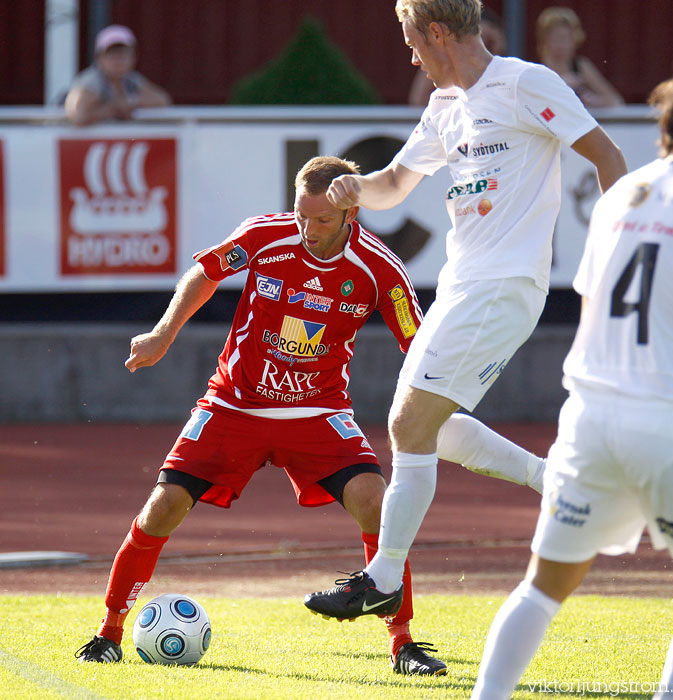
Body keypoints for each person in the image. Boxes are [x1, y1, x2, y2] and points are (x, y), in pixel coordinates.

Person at [303, 0, 627, 623]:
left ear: (438, 32)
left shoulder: (526, 83)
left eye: (411, 40)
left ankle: (383, 577)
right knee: (429, 427)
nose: (411, 54)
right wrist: (353, 187)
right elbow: (394, 184)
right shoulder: (443, 107)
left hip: (503, 286)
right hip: (460, 286)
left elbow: (608, 157)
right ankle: (556, 481)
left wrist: (621, 255)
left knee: (407, 423)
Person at [74, 155, 460, 674]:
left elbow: (417, 344)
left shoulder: (380, 269)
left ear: (351, 214)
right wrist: (164, 333)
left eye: (322, 220)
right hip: (234, 403)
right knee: (162, 507)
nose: (308, 229)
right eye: (302, 215)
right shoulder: (264, 237)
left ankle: (404, 645)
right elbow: (205, 272)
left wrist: (440, 398)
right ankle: (109, 632)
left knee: (377, 504)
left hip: (319, 411)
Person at [471, 54, 673, 699]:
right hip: (671, 422)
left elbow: (598, 300)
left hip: (590, 418)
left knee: (542, 587)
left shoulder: (627, 192)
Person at [64, 24, 171, 126]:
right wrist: (113, 109)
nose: (118, 60)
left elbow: (162, 100)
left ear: (133, 57)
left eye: (123, 54)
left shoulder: (131, 80)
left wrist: (129, 102)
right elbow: (78, 114)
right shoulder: (91, 81)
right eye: (112, 55)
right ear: (99, 58)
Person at [408, 6, 505, 105]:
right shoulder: (440, 98)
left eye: (485, 42)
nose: (478, 47)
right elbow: (418, 99)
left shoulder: (511, 76)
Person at [536, 7, 624, 109]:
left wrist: (593, 100)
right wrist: (561, 86)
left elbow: (616, 100)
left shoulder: (581, 67)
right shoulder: (537, 69)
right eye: (555, 38)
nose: (560, 45)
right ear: (544, 40)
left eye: (565, 38)